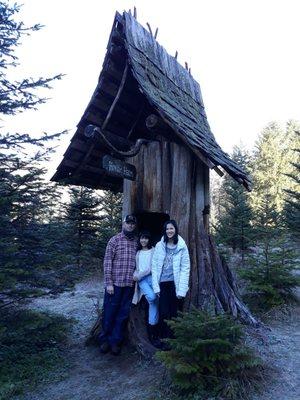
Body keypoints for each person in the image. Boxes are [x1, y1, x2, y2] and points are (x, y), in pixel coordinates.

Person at [98, 214, 138, 355]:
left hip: (129, 285)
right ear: (123, 223)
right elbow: (107, 262)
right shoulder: (114, 240)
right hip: (114, 285)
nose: (130, 225)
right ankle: (104, 341)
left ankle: (115, 342)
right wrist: (108, 283)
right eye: (128, 223)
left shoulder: (136, 243)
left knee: (122, 315)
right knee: (109, 313)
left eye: (133, 224)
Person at [152, 220, 190, 341]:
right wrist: (156, 287)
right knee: (163, 312)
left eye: (171, 228)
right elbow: (155, 266)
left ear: (175, 229)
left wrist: (182, 290)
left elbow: (185, 268)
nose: (169, 231)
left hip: (175, 283)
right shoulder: (159, 245)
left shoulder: (182, 246)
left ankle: (173, 340)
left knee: (174, 312)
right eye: (167, 229)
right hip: (162, 283)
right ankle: (163, 338)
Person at [132, 231, 160, 347]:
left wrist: (140, 274)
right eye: (141, 238)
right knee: (152, 297)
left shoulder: (153, 251)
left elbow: (153, 267)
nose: (143, 241)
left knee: (155, 303)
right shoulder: (138, 253)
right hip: (142, 281)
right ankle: (152, 331)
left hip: (152, 278)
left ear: (149, 240)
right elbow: (136, 268)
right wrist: (135, 275)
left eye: (146, 239)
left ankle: (153, 334)